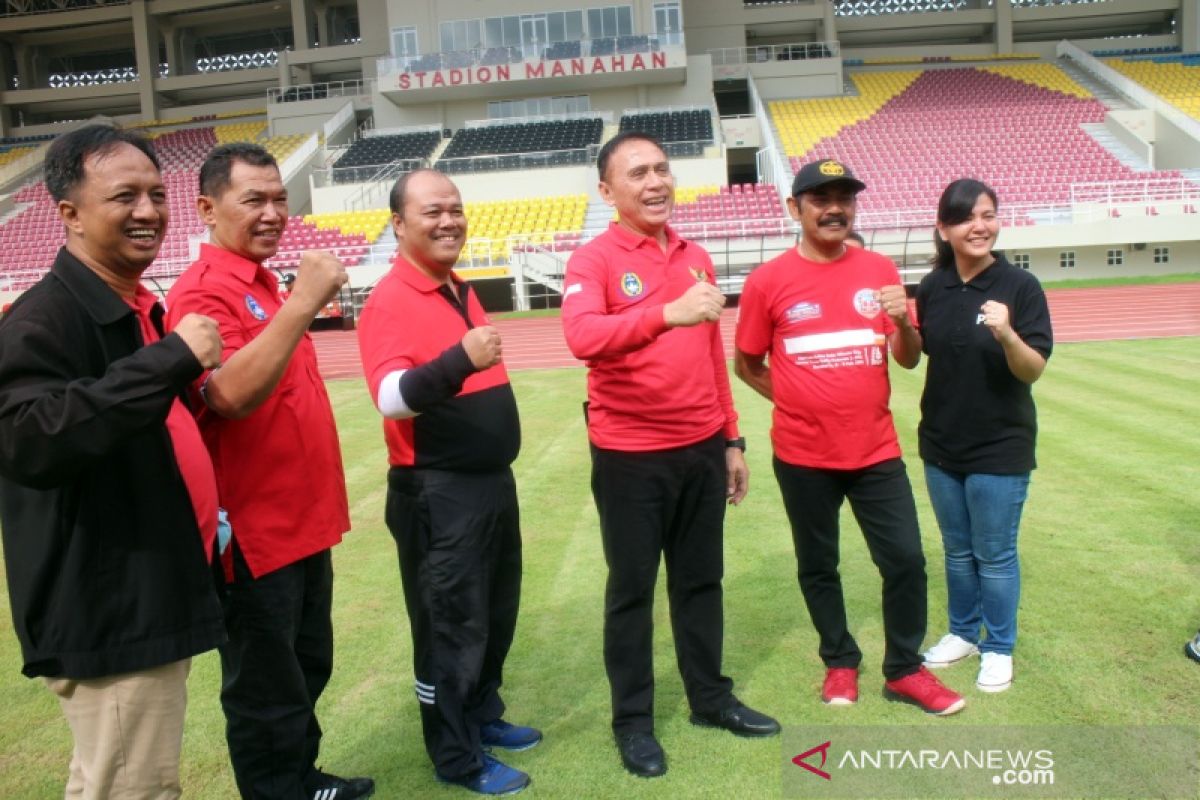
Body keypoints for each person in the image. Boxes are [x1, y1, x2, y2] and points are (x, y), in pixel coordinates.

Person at [0, 124, 226, 797]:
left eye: (158, 193)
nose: (149, 211)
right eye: (124, 196)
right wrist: (171, 358)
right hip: (110, 613)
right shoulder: (45, 319)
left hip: (144, 598)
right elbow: (28, 441)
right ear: (67, 213)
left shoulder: (124, 307)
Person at [562, 131, 780, 779]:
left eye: (662, 169)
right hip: (630, 456)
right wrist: (665, 313)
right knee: (632, 592)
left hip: (701, 451)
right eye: (638, 173)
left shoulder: (695, 256)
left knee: (700, 581)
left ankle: (709, 699)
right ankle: (632, 723)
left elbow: (713, 357)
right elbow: (581, 336)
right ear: (608, 191)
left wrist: (732, 439)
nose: (655, 182)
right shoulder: (593, 259)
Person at [165, 143, 372, 800]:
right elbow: (225, 396)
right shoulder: (202, 292)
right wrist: (303, 302)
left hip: (303, 524)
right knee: (264, 688)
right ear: (207, 208)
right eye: (253, 199)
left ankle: (300, 777)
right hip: (252, 536)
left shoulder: (263, 284)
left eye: (280, 198)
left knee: (306, 667)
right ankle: (276, 790)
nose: (273, 212)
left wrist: (289, 300)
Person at [734, 158, 965, 716]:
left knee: (906, 560)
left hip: (875, 451)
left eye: (844, 198)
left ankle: (905, 670)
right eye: (820, 198)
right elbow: (746, 363)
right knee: (818, 564)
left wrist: (906, 324)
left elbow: (907, 360)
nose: (834, 207)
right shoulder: (767, 281)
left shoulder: (879, 268)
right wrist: (795, 400)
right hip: (803, 454)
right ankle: (839, 660)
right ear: (796, 209)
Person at [357, 168, 538, 797]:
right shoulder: (389, 298)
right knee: (449, 630)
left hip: (489, 485)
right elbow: (388, 396)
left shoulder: (455, 287)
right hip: (437, 492)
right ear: (400, 224)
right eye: (432, 211)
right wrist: (461, 359)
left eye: (456, 209)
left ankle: (484, 715)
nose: (449, 221)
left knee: (493, 614)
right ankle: (456, 756)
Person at [916, 179, 1052, 694]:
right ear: (944, 228)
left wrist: (1008, 333)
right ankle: (962, 632)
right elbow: (926, 356)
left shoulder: (1020, 287)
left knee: (994, 553)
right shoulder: (933, 287)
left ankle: (998, 647)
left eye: (989, 215)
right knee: (956, 550)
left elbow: (1032, 370)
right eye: (967, 218)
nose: (980, 226)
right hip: (942, 445)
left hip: (1000, 447)